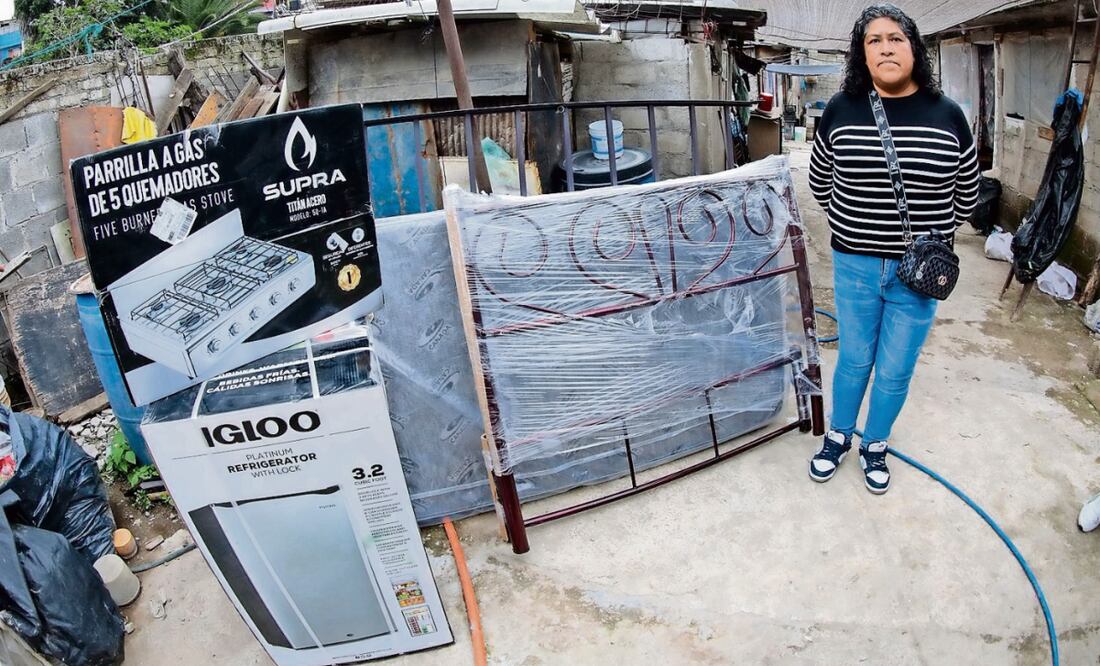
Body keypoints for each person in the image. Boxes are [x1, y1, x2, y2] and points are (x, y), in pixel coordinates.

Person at [806, 4, 980, 494]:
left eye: (896, 38)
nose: (885, 47)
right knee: (856, 358)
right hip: (855, 264)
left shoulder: (947, 115)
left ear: (914, 48)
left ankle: (874, 443)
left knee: (895, 368)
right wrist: (854, 226)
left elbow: (967, 193)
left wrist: (929, 238)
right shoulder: (841, 108)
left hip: (917, 274)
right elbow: (820, 182)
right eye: (874, 40)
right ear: (862, 54)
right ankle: (838, 436)